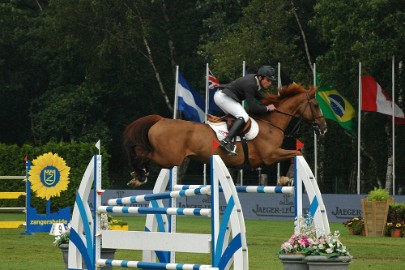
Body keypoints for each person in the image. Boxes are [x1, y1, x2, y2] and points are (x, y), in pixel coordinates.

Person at [214, 65, 277, 155]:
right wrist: (267, 108)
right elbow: (253, 108)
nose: (270, 83)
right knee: (243, 116)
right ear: (260, 77)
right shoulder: (251, 84)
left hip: (224, 96)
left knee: (238, 117)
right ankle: (226, 141)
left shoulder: (254, 80)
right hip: (224, 98)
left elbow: (260, 97)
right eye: (268, 80)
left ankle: (227, 138)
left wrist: (274, 102)